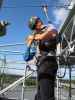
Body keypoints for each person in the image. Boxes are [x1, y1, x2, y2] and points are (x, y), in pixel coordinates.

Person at [26, 16, 58, 100]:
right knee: (39, 95)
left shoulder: (49, 27)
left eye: (36, 24)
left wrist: (36, 37)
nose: (36, 27)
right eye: (34, 27)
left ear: (39, 22)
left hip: (48, 62)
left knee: (46, 96)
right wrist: (30, 42)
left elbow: (53, 33)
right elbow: (28, 53)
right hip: (41, 65)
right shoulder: (37, 33)